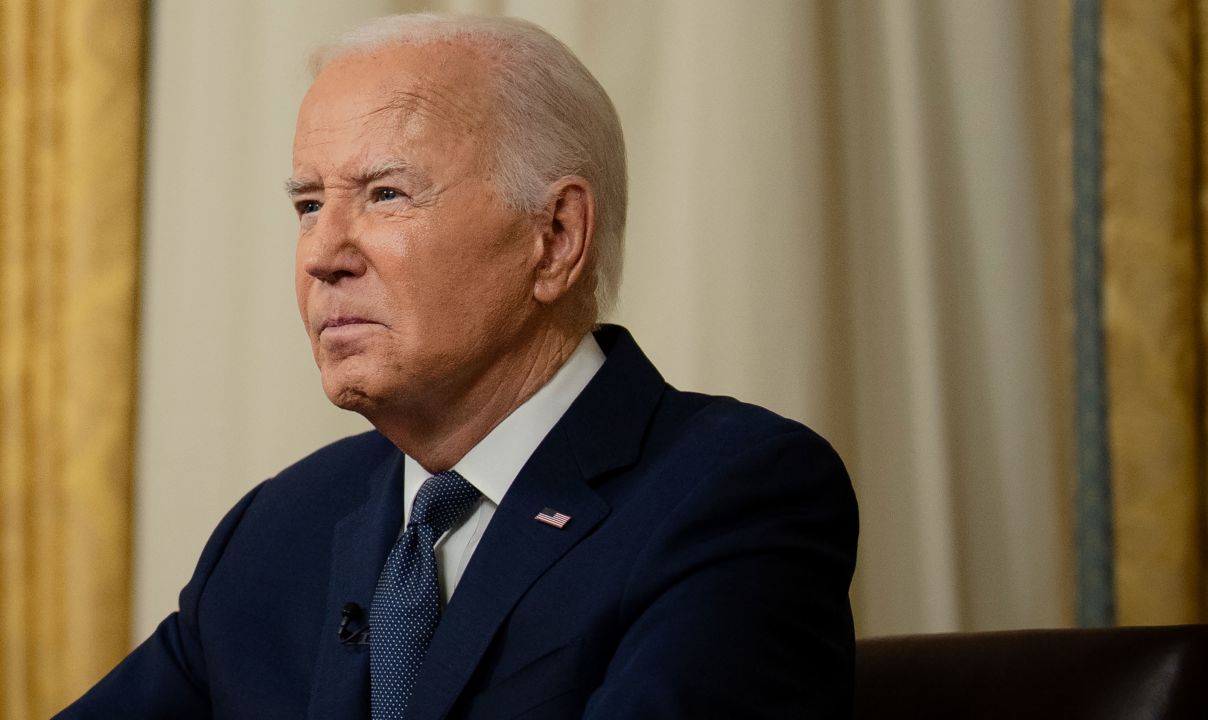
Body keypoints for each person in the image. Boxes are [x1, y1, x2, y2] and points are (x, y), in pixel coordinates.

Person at [59, 13, 858, 719]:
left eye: (384, 195)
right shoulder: (277, 530)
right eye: (308, 206)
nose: (324, 256)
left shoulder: (732, 495)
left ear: (555, 237)